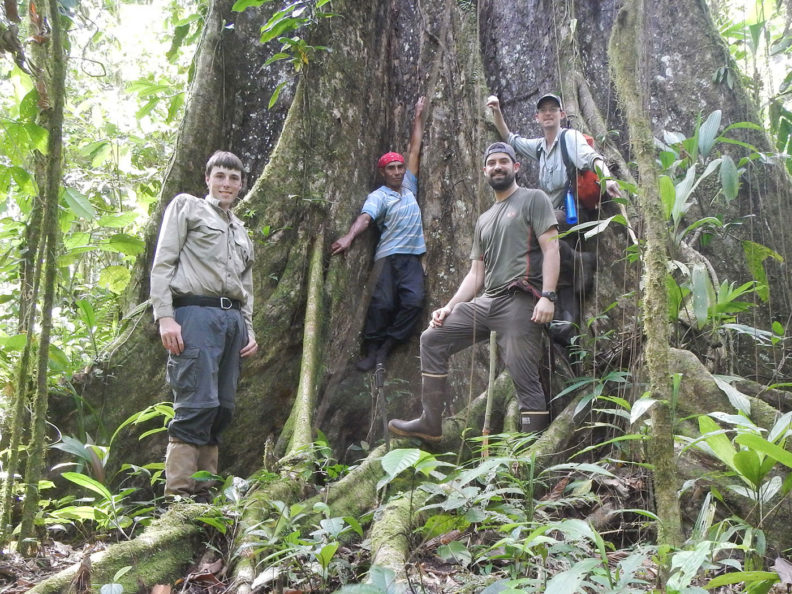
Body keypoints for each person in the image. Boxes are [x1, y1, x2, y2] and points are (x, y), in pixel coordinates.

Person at [388, 142, 560, 439]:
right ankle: (431, 422)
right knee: (433, 338)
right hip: (487, 303)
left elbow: (551, 247)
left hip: (520, 300)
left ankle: (534, 454)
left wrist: (548, 295)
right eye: (491, 162)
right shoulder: (484, 219)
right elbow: (476, 273)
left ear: (516, 167)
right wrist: (450, 306)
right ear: (484, 171)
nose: (497, 166)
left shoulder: (533, 199)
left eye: (504, 161)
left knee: (522, 373)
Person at [150, 150, 258, 500]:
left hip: (232, 321)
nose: (227, 183)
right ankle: (178, 496)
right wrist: (165, 316)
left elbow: (248, 286)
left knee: (221, 406)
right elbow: (163, 262)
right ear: (207, 178)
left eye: (234, 178)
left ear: (242, 184)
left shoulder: (240, 228)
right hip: (194, 314)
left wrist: (249, 329)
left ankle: (204, 492)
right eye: (220, 176)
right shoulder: (187, 207)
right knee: (195, 402)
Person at [331, 96, 427, 371]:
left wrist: (417, 116)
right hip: (386, 257)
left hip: (411, 259)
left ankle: (387, 347)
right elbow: (365, 219)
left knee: (414, 302)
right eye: (391, 168)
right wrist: (349, 238)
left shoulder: (410, 187)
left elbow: (414, 148)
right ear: (383, 172)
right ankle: (372, 349)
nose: (397, 172)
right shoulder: (379, 196)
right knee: (382, 303)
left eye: (399, 167)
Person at [486, 92, 621, 223]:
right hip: (551, 213)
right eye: (543, 110)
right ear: (537, 117)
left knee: (539, 227)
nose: (548, 113)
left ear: (562, 114)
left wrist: (607, 179)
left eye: (553, 109)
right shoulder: (540, 147)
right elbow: (511, 139)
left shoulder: (569, 138)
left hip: (573, 213)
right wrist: (497, 110)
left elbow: (593, 159)